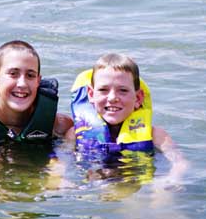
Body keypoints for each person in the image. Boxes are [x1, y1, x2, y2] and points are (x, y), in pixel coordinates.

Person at [66, 53, 188, 188]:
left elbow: (180, 162)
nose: (112, 98)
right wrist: (58, 178)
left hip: (135, 185)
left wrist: (172, 177)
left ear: (138, 98)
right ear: (91, 95)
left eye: (123, 90)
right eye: (103, 90)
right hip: (93, 183)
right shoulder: (75, 134)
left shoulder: (156, 135)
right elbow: (60, 160)